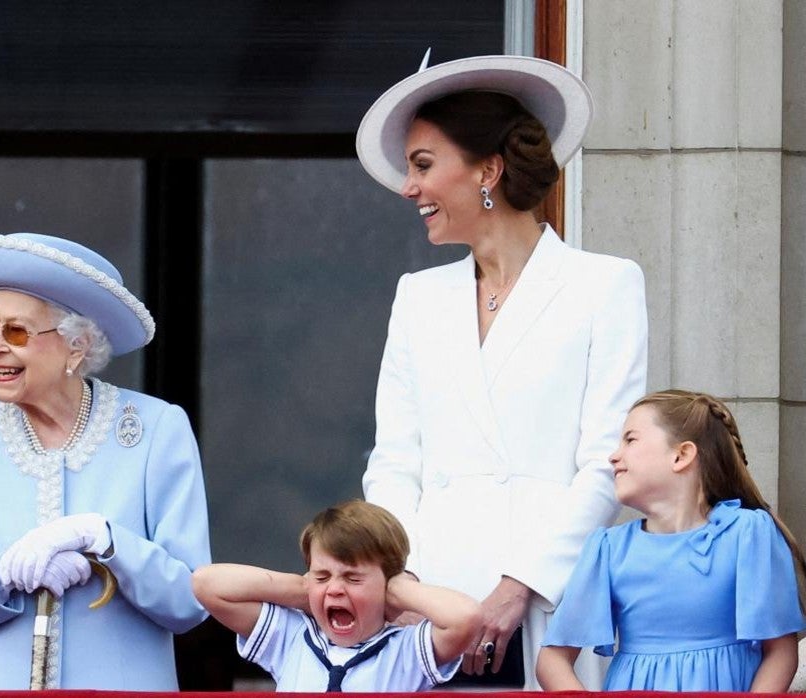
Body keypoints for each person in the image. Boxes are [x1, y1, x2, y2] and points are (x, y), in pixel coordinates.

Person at [355, 55, 648, 689]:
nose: (409, 188)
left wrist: (521, 585)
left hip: (550, 603)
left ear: (488, 169)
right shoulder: (417, 296)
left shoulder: (605, 285)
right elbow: (394, 463)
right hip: (428, 611)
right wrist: (403, 584)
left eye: (424, 166)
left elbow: (606, 461)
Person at [0, 232, 211, 689]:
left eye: (17, 332)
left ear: (77, 346)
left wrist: (107, 542)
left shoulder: (156, 429)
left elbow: (190, 602)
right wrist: (3, 573)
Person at [537, 390, 806, 691]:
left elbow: (780, 653)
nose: (614, 455)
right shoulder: (609, 549)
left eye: (630, 439)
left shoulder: (747, 533)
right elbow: (552, 660)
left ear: (681, 455)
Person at [192, 500, 480, 692]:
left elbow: (466, 618)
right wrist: (302, 592)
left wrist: (398, 590)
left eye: (353, 578)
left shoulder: (404, 652)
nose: (335, 589)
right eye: (321, 575)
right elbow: (206, 584)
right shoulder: (292, 638)